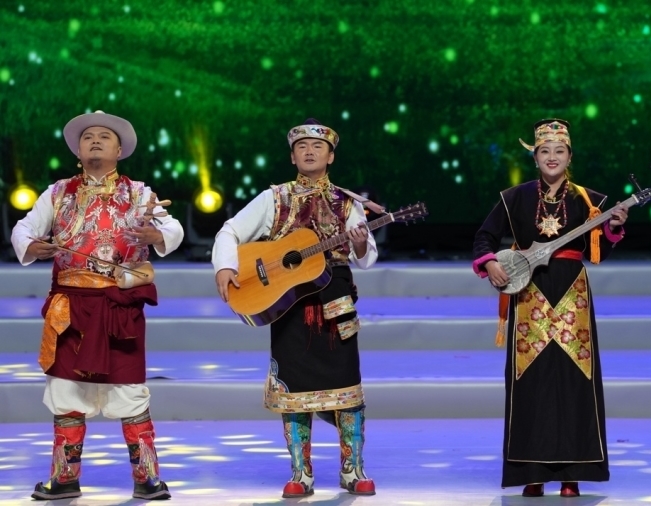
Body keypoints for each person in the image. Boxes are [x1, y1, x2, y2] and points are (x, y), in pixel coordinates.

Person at [11, 111, 184, 500]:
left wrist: (156, 234)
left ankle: (147, 477)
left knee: (129, 388)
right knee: (66, 390)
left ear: (119, 150)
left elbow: (172, 228)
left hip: (119, 306)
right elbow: (24, 228)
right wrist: (33, 246)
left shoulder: (139, 193)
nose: (95, 141)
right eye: (88, 136)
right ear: (78, 150)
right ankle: (64, 478)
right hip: (70, 308)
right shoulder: (57, 193)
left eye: (105, 137)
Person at [212, 118, 378, 498]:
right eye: (301, 146)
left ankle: (353, 469)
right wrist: (225, 265)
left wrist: (359, 242)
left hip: (334, 303)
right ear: (292, 157)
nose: (309, 151)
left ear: (330, 156)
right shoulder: (274, 198)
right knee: (294, 390)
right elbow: (230, 230)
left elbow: (366, 257)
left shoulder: (347, 202)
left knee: (347, 387)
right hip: (287, 305)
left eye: (317, 146)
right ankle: (301, 473)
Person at [472, 119, 627, 497]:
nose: (552, 157)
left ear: (570, 156)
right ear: (536, 157)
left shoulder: (589, 200)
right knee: (532, 381)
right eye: (544, 151)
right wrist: (490, 263)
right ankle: (532, 472)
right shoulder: (515, 198)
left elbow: (598, 253)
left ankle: (573, 473)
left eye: (559, 151)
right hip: (528, 292)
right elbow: (484, 238)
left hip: (573, 291)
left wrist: (612, 228)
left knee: (575, 380)